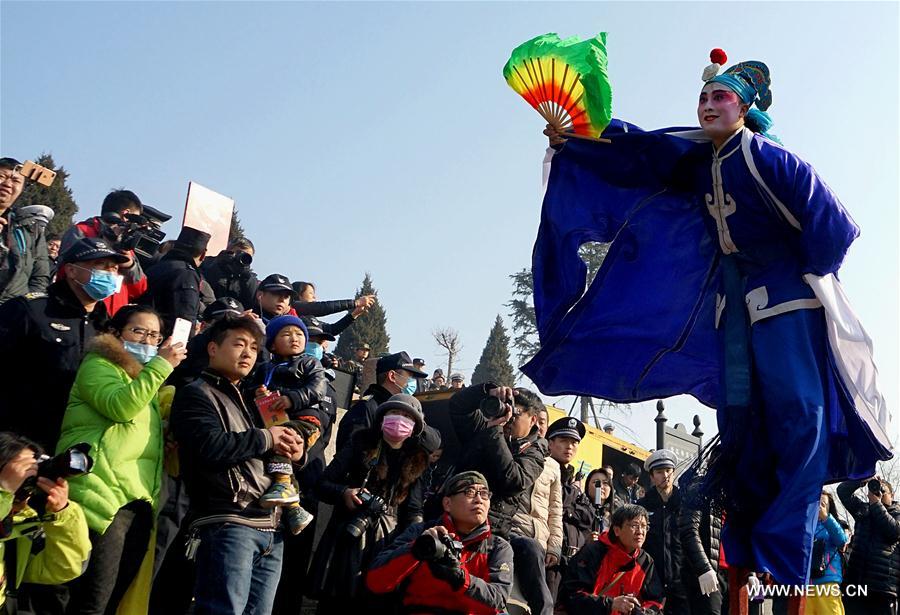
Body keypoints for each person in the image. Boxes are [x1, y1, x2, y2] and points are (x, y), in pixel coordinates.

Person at [527, 50, 892, 587]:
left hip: (790, 306)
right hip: (737, 311)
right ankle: (747, 544)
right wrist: (578, 141)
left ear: (744, 107)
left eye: (719, 96)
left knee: (799, 418)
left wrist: (791, 270)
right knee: (740, 422)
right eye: (702, 97)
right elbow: (646, 152)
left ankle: (784, 550)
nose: (707, 105)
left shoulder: (770, 159)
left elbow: (833, 229)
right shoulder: (704, 160)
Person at [170, 314, 305, 615]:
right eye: (239, 344)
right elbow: (210, 446)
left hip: (270, 524)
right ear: (213, 349)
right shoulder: (196, 393)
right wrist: (266, 438)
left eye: (255, 348)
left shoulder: (248, 399)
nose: (247, 353)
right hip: (228, 521)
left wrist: (295, 451)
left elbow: (269, 448)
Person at [58, 304, 186, 614]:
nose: (146, 340)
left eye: (155, 335)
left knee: (113, 598)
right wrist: (160, 366)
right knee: (92, 600)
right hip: (101, 497)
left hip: (136, 500)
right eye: (138, 331)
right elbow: (120, 407)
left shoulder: (148, 382)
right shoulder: (99, 364)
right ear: (116, 333)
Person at [0, 237, 128, 450]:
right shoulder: (31, 310)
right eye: (100, 266)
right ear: (71, 271)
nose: (109, 274)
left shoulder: (107, 327)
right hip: (17, 439)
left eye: (113, 268)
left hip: (71, 443)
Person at [308, 394, 430, 613]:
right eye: (394, 413)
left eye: (406, 416)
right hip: (347, 537)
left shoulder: (418, 459)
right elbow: (322, 484)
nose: (399, 419)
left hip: (388, 543)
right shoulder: (360, 442)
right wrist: (345, 492)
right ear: (382, 417)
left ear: (414, 426)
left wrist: (413, 541)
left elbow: (414, 509)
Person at [449, 383, 550, 613]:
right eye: (507, 408)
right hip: (453, 519)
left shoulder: (535, 452)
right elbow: (457, 406)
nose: (509, 417)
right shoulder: (483, 427)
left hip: (492, 532)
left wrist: (495, 432)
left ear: (533, 420)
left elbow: (513, 480)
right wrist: (488, 390)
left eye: (517, 413)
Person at [366, 470, 515, 614]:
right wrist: (415, 550)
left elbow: (498, 600)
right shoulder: (421, 532)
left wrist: (461, 578)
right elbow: (375, 582)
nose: (479, 500)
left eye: (484, 494)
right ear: (447, 503)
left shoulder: (497, 547)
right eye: (469, 492)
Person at [246, 315, 327, 535]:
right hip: (274, 422)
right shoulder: (263, 368)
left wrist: (293, 398)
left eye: (299, 334)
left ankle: (282, 484)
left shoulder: (310, 363)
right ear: (272, 343)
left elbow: (319, 389)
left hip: (305, 421)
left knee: (283, 439)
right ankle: (294, 508)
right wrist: (257, 392)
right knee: (278, 446)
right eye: (287, 334)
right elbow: (248, 387)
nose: (295, 338)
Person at [0, 432, 91, 611]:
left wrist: (63, 514)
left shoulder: (22, 526)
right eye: (18, 471)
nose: (23, 485)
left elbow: (66, 567)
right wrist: (4, 489)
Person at [560, 504, 664, 614]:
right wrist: (611, 604)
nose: (640, 532)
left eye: (644, 526)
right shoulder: (593, 552)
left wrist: (643, 612)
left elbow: (656, 601)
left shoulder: (645, 561)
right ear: (617, 530)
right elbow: (572, 596)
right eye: (634, 525)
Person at [60, 189, 150, 316]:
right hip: (77, 310)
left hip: (113, 316)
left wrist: (130, 266)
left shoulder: (126, 242)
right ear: (126, 214)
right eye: (135, 219)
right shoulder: (82, 231)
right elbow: (65, 272)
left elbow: (139, 289)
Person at [511, 421, 563, 615]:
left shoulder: (553, 466)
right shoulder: (514, 451)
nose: (538, 426)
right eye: (533, 420)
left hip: (540, 539)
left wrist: (555, 546)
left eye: (542, 422)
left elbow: (555, 510)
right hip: (514, 531)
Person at [544, 417, 594, 600]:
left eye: (574, 442)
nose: (569, 447)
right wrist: (571, 506)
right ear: (550, 443)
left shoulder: (574, 483)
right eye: (564, 441)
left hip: (574, 562)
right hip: (550, 557)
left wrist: (570, 507)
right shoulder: (543, 470)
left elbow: (589, 516)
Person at [335, 351, 427, 449]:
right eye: (409, 377)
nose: (412, 383)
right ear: (392, 376)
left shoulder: (391, 407)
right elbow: (351, 452)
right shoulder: (366, 409)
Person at [837, 478, 900, 615]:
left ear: (892, 495)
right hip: (855, 584)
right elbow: (842, 491)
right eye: (876, 489)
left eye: (883, 491)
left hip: (882, 588)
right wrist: (861, 479)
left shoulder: (897, 514)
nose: (879, 493)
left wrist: (876, 503)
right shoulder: (863, 510)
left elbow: (893, 532)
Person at [638, 450, 688, 613]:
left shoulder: (686, 504)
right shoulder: (642, 506)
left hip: (683, 581)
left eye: (668, 471)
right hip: (651, 580)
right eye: (659, 472)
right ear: (652, 477)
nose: (665, 475)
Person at [0, 158, 51, 304]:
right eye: (2, 177)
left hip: (11, 314)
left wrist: (27, 307)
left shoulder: (29, 227)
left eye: (16, 181)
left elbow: (39, 276)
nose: (8, 184)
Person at [143, 226, 210, 334]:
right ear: (203, 255)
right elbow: (184, 316)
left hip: (144, 331)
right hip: (165, 339)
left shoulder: (154, 268)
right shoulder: (187, 274)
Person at [679, 500, 726, 615]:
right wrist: (704, 568)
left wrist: (750, 572)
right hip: (711, 571)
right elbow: (689, 530)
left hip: (736, 573)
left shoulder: (737, 492)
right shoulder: (701, 490)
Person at [805, 492, 849, 615]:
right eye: (817, 503)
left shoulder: (832, 525)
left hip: (827, 583)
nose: (819, 506)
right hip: (806, 585)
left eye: (823, 504)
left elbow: (841, 540)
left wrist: (825, 517)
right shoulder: (805, 526)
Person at [291, 280, 375, 337]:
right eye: (310, 293)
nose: (314, 297)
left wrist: (354, 314)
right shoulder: (293, 308)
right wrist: (355, 303)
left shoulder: (309, 320)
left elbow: (332, 329)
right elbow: (321, 307)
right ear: (299, 295)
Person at [199, 237, 259, 308]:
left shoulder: (248, 278)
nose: (240, 259)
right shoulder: (207, 264)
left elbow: (251, 303)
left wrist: (246, 277)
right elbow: (203, 282)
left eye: (246, 257)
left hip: (236, 316)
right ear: (228, 251)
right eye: (237, 254)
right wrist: (219, 265)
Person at [584, 468, 621, 535]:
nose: (600, 486)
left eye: (605, 483)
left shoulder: (617, 514)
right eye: (596, 482)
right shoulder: (579, 510)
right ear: (587, 486)